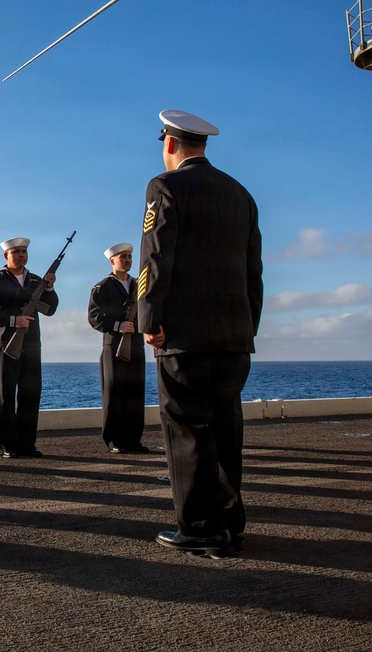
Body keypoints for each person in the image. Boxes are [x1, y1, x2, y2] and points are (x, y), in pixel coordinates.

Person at [138, 110, 263, 555]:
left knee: (187, 427)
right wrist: (248, 325)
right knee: (226, 428)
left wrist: (148, 319)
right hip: (234, 334)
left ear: (169, 144)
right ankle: (231, 522)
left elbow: (155, 259)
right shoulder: (241, 195)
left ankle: (199, 526)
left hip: (184, 335)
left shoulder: (164, 187)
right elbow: (254, 272)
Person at [0, 237, 58, 458]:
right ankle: (6, 445)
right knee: (5, 394)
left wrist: (49, 288)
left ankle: (27, 443)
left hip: (32, 344)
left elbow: (50, 309)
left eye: (24, 251)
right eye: (16, 252)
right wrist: (14, 320)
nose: (21, 255)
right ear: (6, 256)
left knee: (30, 394)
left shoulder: (35, 281)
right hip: (7, 344)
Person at [87, 242, 147, 453]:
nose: (127, 260)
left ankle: (134, 440)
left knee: (135, 393)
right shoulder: (102, 287)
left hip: (136, 343)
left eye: (129, 257)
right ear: (112, 261)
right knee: (114, 394)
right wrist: (117, 325)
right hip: (114, 345)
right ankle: (115, 441)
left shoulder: (140, 285)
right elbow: (94, 317)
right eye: (123, 257)